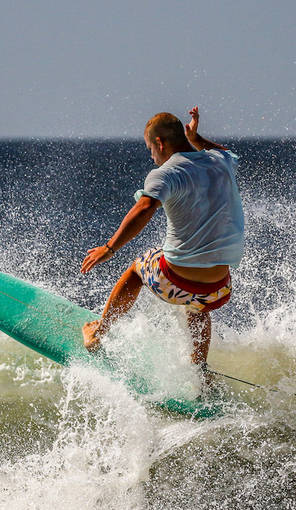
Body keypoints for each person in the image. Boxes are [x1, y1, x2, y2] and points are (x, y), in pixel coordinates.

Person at [80, 107, 244, 378]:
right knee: (197, 306)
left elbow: (145, 207)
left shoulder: (166, 173)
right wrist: (197, 139)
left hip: (175, 280)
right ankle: (199, 369)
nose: (152, 156)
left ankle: (98, 333)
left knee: (136, 269)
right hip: (218, 289)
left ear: (160, 142)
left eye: (150, 149)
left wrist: (108, 249)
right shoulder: (220, 162)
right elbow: (224, 151)